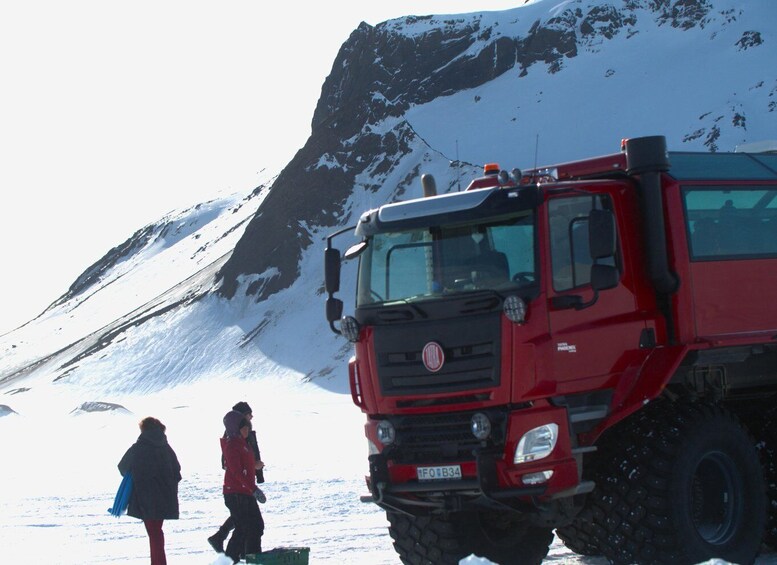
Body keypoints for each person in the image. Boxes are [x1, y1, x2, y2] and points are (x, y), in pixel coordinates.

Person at [118, 417, 181, 565]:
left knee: (154, 532)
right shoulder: (166, 447)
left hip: (144, 497)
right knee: (156, 531)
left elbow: (122, 467)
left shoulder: (138, 447)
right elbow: (177, 471)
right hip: (165, 496)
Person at [208, 402, 265, 553]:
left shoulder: (240, 441)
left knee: (254, 526)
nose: (250, 420)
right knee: (244, 527)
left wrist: (254, 471)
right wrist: (253, 488)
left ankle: (252, 557)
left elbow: (244, 463)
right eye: (248, 415)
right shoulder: (232, 443)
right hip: (238, 491)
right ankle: (229, 558)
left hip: (245, 490)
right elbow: (235, 469)